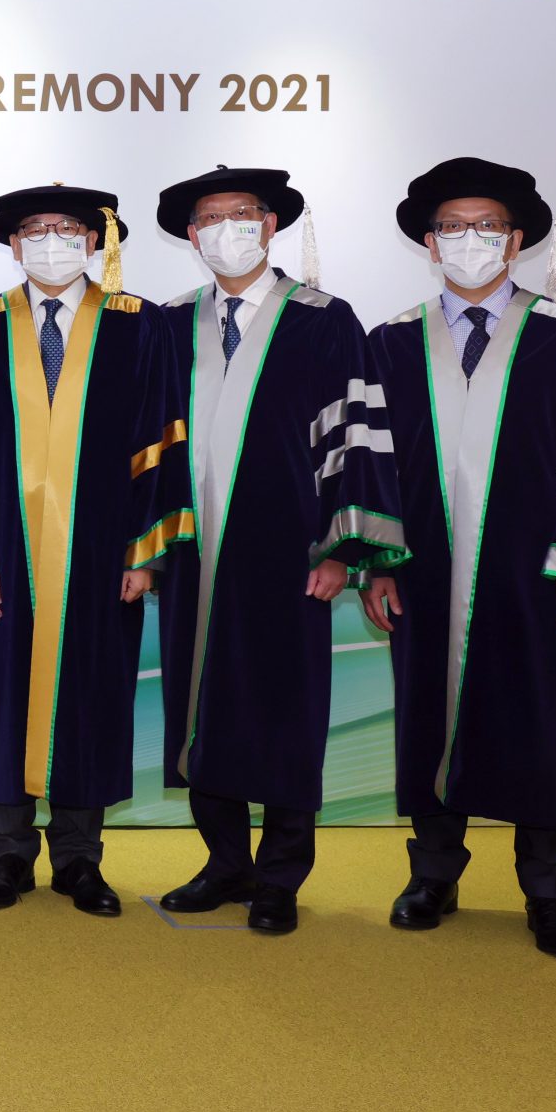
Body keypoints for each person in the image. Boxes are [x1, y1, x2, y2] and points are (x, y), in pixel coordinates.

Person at [364, 158, 556, 960]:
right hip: (424, 570)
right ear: (429, 243)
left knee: (541, 726)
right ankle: (434, 875)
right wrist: (376, 562)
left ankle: (548, 891)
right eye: (453, 227)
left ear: (517, 238)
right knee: (427, 719)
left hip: (536, 572)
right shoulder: (390, 342)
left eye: (487, 225)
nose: (471, 240)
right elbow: (371, 465)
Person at [148, 166, 407, 935]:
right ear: (193, 237)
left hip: (292, 554)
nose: (227, 228)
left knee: (285, 711)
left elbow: (356, 441)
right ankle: (225, 861)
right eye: (211, 218)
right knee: (199, 708)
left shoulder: (325, 320)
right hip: (192, 553)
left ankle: (281, 875)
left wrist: (343, 551)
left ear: (269, 225)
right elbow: (146, 445)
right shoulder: (170, 322)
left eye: (242, 214)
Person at [0, 185, 191, 917]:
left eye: (67, 228)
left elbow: (161, 441)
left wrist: (144, 552)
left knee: (93, 693)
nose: (52, 241)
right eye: (34, 230)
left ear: (95, 239)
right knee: (6, 693)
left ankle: (81, 859)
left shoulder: (139, 325)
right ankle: (7, 855)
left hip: (102, 550)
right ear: (14, 245)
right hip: (9, 552)